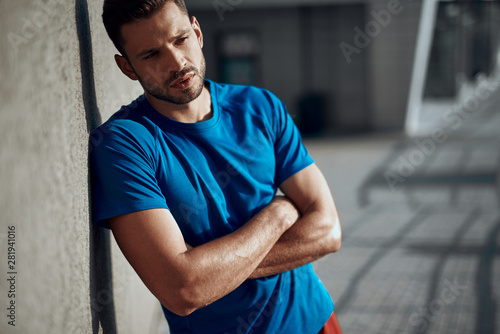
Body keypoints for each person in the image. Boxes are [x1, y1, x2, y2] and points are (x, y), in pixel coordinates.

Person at [91, 0, 342, 333]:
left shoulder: (260, 106)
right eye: (151, 55)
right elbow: (183, 290)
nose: (176, 63)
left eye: (180, 39)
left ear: (197, 32)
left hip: (315, 320)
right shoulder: (123, 144)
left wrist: (213, 273)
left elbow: (328, 232)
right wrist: (279, 214)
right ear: (127, 68)